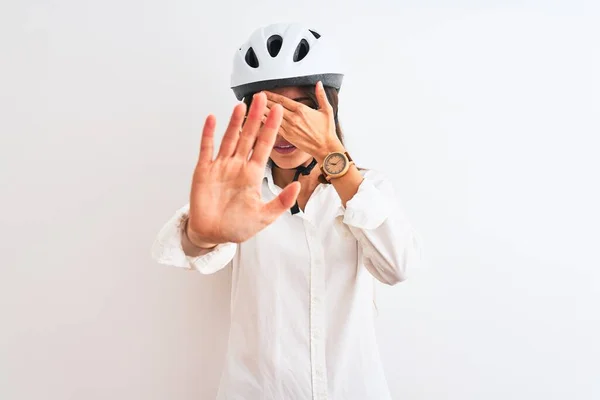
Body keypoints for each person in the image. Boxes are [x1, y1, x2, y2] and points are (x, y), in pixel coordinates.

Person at [151, 22, 421, 400]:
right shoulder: (240, 192)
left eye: (299, 111)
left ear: (328, 112)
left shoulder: (367, 189)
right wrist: (199, 235)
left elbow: (398, 266)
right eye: (268, 111)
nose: (282, 129)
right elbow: (195, 246)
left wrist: (335, 160)